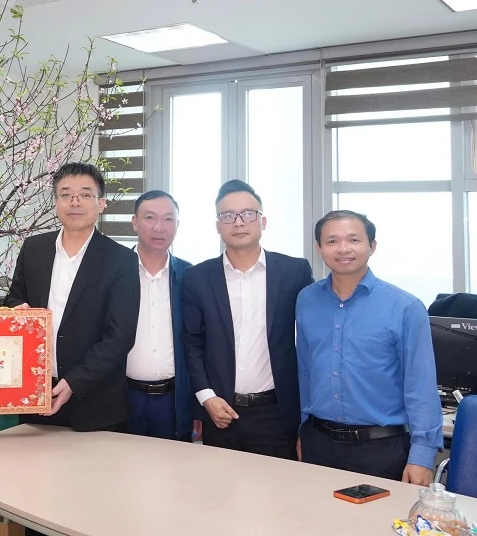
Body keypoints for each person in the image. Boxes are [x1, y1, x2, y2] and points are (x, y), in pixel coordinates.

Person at [297, 210, 442, 485]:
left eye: (354, 240)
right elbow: (305, 370)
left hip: (381, 450)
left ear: (372, 246)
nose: (343, 249)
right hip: (318, 443)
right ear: (319, 248)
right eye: (332, 241)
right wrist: (301, 430)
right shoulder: (307, 299)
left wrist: (422, 456)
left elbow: (420, 386)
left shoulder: (405, 307)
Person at [181, 179, 313, 459]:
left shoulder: (294, 271)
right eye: (228, 215)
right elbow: (191, 342)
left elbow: (314, 334)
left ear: (262, 221)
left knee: (276, 485)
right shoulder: (197, 277)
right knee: (219, 484)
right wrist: (206, 398)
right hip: (220, 411)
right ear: (218, 225)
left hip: (276, 413)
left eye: (248, 214)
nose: (238, 222)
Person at [4, 162, 139, 432]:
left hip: (96, 403)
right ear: (56, 202)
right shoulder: (34, 248)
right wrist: (18, 308)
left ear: (101, 203)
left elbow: (120, 336)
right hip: (37, 395)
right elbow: (14, 298)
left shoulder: (121, 259)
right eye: (66, 194)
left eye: (85, 194)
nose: (74, 202)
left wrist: (75, 382)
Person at [126, 190, 198, 442]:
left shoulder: (191, 276)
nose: (159, 227)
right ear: (135, 222)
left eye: (168, 219)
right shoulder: (113, 271)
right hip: (123, 396)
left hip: (175, 399)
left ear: (177, 225)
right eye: (150, 218)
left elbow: (199, 343)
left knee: (174, 464)